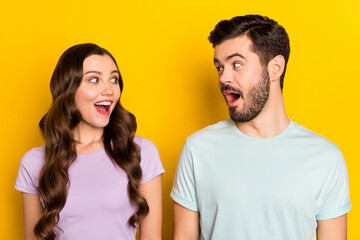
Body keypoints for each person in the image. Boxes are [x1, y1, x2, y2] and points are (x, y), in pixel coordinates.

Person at [171, 15, 351, 240]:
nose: (224, 77)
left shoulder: (326, 158)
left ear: (275, 68)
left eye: (236, 64)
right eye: (219, 67)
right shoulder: (197, 149)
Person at [15, 43, 164, 240]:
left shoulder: (141, 152)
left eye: (114, 79)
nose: (109, 90)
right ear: (68, 88)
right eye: (94, 79)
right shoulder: (34, 162)